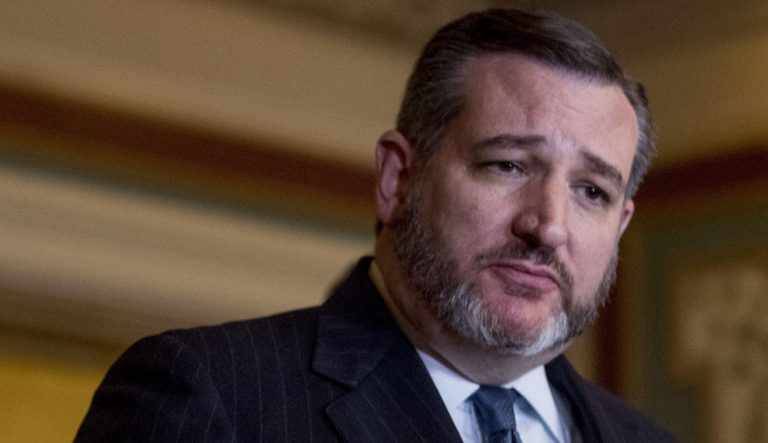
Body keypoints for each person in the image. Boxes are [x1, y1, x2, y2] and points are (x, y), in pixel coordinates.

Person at [76, 7, 677, 442]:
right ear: (398, 179)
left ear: (621, 226)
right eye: (507, 165)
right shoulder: (210, 394)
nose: (548, 225)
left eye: (591, 191)